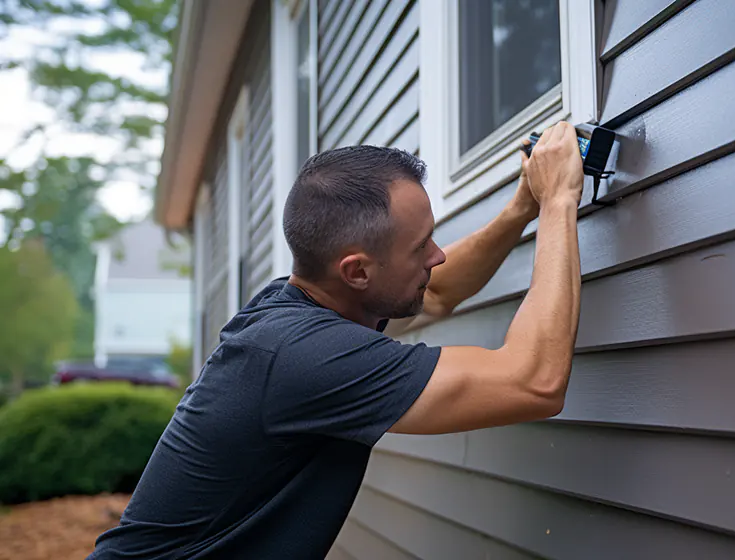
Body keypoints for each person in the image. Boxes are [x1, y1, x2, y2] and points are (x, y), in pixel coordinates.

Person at [89, 121, 585, 559]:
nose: (437, 257)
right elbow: (534, 381)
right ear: (356, 272)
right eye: (420, 247)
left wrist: (524, 206)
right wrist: (560, 201)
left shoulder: (308, 308)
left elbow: (437, 293)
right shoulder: (303, 355)